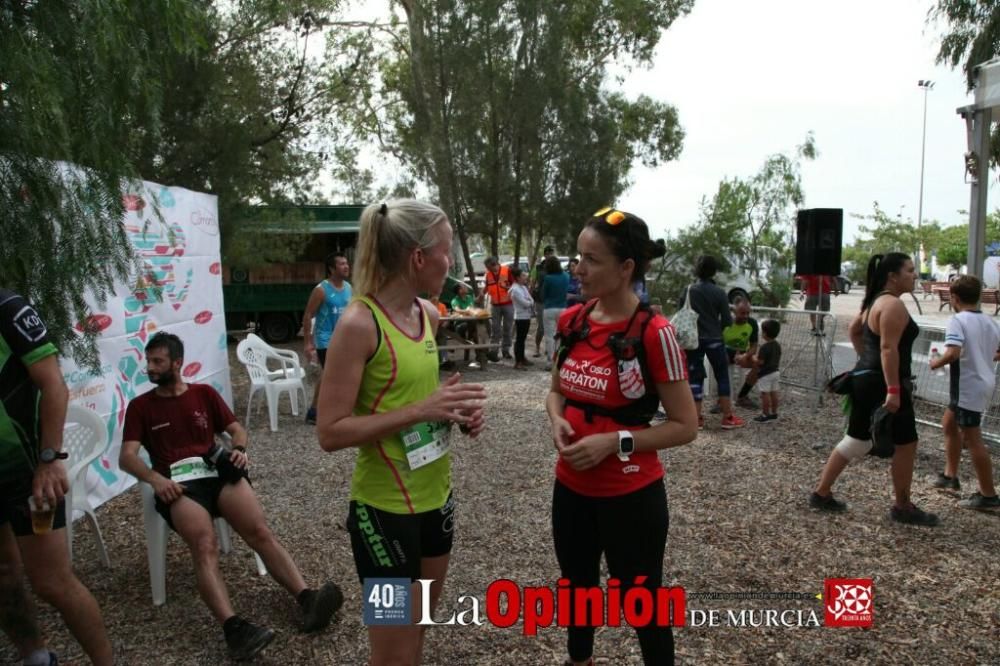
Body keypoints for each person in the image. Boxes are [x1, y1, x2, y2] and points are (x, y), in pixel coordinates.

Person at [316, 200, 487, 666]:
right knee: (391, 651)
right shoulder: (358, 323)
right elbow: (329, 432)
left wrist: (453, 412)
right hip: (382, 515)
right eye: (447, 252)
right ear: (418, 257)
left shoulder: (428, 315)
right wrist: (422, 408)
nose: (449, 263)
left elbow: (413, 401)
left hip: (438, 503)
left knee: (417, 638)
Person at [120, 332, 343, 661]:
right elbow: (127, 456)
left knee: (260, 532)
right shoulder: (141, 407)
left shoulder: (203, 394)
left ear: (177, 363)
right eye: (148, 361)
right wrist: (154, 479)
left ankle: (307, 599)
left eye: (157, 361)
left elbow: (237, 430)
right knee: (204, 545)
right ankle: (234, 629)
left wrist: (239, 450)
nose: (149, 368)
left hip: (217, 472)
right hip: (179, 484)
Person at [547, 207, 698, 666]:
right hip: (571, 487)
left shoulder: (655, 333)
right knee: (576, 589)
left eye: (591, 259)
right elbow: (554, 392)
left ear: (626, 267)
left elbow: (685, 427)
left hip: (631, 494)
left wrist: (615, 443)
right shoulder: (573, 322)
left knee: (642, 603)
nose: (578, 268)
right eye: (578, 257)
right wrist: (557, 419)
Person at [0, 289, 114, 666]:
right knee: (3, 575)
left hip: (26, 471)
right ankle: (35, 656)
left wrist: (49, 460)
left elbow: (54, 385)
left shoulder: (8, 308)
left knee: (52, 582)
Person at [809, 253, 939, 526]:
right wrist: (892, 388)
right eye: (910, 270)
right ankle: (902, 506)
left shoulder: (874, 302)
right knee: (906, 443)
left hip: (868, 378)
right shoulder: (891, 305)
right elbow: (888, 348)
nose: (915, 275)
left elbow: (854, 330)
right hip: (884, 382)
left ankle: (821, 493)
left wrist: (865, 363)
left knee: (858, 439)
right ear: (893, 275)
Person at [928, 275, 1000, 510]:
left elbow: (953, 353)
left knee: (973, 438)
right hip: (982, 383)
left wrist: (935, 362)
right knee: (949, 423)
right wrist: (981, 356)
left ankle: (988, 496)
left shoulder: (957, 320)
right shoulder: (990, 321)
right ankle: (950, 476)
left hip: (967, 387)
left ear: (954, 297)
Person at [683, 256, 744, 430]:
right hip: (715, 339)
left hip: (693, 340)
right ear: (714, 271)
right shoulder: (719, 293)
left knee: (695, 376)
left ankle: (697, 419)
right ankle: (727, 417)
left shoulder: (688, 290)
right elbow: (726, 321)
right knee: (722, 375)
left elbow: (683, 313)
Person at [303, 253, 352, 425]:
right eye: (342, 264)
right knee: (329, 374)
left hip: (343, 339)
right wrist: (308, 343)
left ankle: (322, 410)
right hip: (325, 339)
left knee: (335, 375)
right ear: (332, 268)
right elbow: (308, 315)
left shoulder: (348, 288)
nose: (346, 266)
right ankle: (315, 411)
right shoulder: (321, 290)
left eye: (347, 263)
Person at [721, 298, 760, 409]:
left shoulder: (752, 323)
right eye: (742, 313)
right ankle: (723, 399)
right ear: (734, 311)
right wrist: (726, 355)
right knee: (722, 361)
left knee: (759, 365)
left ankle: (742, 396)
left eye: (748, 313)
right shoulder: (725, 321)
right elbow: (717, 343)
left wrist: (746, 356)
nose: (746, 316)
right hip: (724, 352)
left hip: (743, 354)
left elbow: (754, 346)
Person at [541, 255, 570, 371]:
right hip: (563, 308)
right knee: (561, 335)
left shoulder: (548, 278)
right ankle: (561, 359)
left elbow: (543, 295)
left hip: (549, 308)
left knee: (550, 336)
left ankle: (550, 361)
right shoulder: (566, 276)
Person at [483, 256, 514, 362]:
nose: (488, 270)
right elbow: (487, 287)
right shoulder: (488, 275)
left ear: (494, 264)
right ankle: (494, 352)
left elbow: (515, 286)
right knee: (495, 329)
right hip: (495, 305)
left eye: (488, 267)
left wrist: (508, 288)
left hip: (508, 304)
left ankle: (506, 350)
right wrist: (481, 295)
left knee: (507, 328)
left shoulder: (507, 271)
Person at [752, 319, 781, 422]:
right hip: (776, 372)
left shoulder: (764, 347)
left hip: (765, 374)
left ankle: (765, 414)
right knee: (774, 393)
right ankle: (774, 413)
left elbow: (760, 362)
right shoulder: (777, 345)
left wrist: (753, 358)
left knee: (765, 394)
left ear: (765, 333)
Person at [531, 245, 556, 357]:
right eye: (548, 253)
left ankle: (548, 348)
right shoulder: (538, 268)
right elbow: (532, 284)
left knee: (551, 326)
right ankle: (537, 348)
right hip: (540, 300)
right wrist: (531, 298)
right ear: (545, 254)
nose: (550, 255)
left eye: (552, 253)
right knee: (541, 327)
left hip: (552, 300)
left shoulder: (556, 268)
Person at [509, 267, 535, 369]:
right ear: (518, 278)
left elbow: (531, 300)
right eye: (523, 275)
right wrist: (529, 302)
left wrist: (529, 302)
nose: (525, 277)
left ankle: (522, 358)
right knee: (519, 339)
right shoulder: (515, 290)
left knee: (523, 339)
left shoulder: (523, 287)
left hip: (526, 316)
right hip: (520, 317)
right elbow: (525, 303)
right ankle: (518, 361)